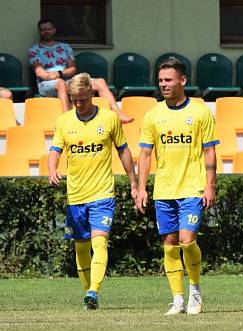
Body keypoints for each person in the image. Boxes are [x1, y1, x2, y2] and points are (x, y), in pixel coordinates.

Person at [135, 58, 218, 315]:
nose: (163, 85)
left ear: (183, 80)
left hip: (192, 188)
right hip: (164, 190)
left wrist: (210, 185)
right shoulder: (153, 115)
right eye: (160, 80)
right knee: (169, 243)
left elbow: (210, 151)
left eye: (168, 80)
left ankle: (194, 289)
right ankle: (177, 298)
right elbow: (146, 155)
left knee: (187, 240)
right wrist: (141, 187)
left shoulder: (201, 112)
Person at [47, 73, 137, 310]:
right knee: (81, 247)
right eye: (74, 99)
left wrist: (134, 183)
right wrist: (52, 169)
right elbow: (55, 150)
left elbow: (124, 151)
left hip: (102, 194)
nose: (78, 104)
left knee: (99, 243)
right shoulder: (64, 121)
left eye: (82, 99)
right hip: (76, 195)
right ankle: (89, 295)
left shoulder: (109, 119)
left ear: (92, 94)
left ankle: (94, 291)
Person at [28, 18, 132, 122]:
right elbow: (39, 72)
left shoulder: (65, 47)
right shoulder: (34, 50)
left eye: (48, 29)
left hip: (65, 79)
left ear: (54, 30)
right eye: (42, 30)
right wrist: (49, 76)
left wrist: (59, 73)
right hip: (46, 83)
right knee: (60, 84)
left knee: (100, 82)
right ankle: (68, 119)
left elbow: (72, 69)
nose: (45, 31)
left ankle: (118, 114)